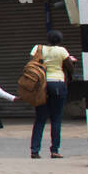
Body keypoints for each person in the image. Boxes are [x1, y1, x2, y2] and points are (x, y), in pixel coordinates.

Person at [29, 29, 75, 159]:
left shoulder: (38, 48)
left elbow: (32, 64)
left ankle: (34, 150)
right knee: (56, 118)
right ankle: (54, 150)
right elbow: (70, 67)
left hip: (41, 85)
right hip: (58, 84)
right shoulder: (62, 51)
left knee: (40, 119)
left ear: (48, 39)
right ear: (60, 40)